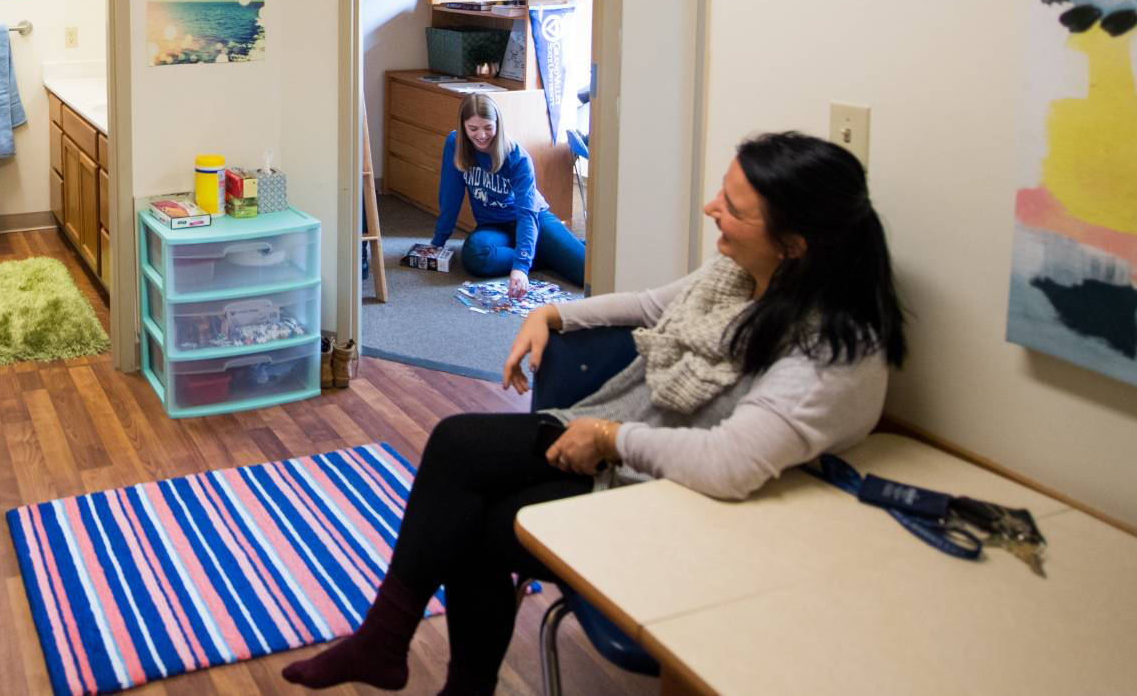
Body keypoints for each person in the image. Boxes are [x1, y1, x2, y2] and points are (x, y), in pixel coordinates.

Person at [283, 131, 908, 695]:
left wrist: (610, 437)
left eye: (734, 207)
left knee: (470, 513)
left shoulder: (831, 350)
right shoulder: (739, 275)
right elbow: (650, 305)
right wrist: (550, 313)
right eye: (722, 191)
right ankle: (389, 644)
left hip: (689, 501)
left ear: (795, 245)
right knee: (457, 450)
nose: (710, 207)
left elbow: (730, 463)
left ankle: (403, 654)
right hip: (638, 443)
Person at [410, 92, 586, 295]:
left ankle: (537, 252)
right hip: (493, 226)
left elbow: (527, 213)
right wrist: (438, 241)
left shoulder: (518, 158)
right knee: (475, 256)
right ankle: (544, 253)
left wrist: (521, 267)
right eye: (473, 129)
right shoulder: (455, 144)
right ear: (463, 126)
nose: (481, 135)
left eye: (488, 128)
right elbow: (450, 195)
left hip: (532, 220)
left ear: (498, 124)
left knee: (585, 272)